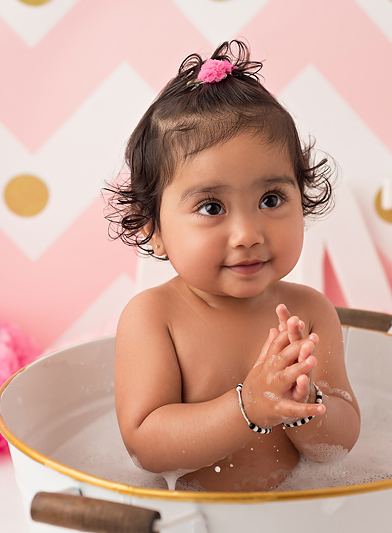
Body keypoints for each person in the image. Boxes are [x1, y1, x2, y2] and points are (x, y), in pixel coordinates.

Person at [105, 41, 359, 492]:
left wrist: (305, 405)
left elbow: (338, 447)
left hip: (296, 513)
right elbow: (146, 444)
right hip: (192, 516)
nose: (248, 233)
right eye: (210, 206)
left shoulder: (310, 312)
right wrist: (248, 408)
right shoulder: (154, 318)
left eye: (271, 199)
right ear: (153, 227)